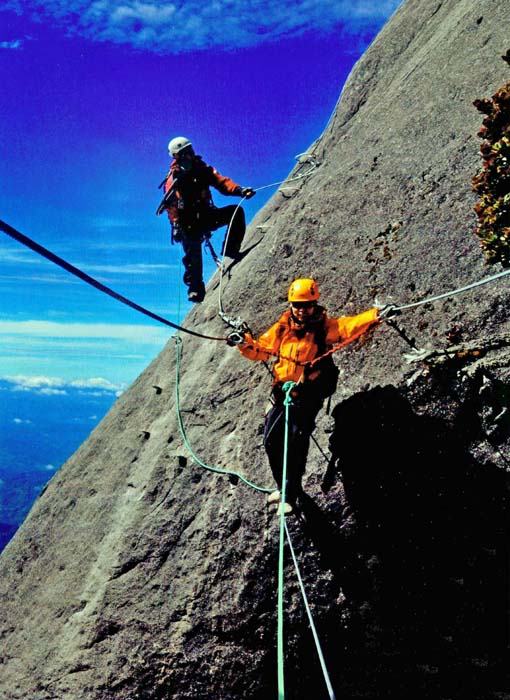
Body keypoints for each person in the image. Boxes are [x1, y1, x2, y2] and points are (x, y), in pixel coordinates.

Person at [227, 278, 398, 515]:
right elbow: (262, 349)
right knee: (270, 441)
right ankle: (283, 486)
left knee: (296, 440)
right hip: (282, 393)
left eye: (307, 305)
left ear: (315, 304)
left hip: (307, 396)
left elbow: (349, 326)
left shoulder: (323, 327)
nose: (301, 309)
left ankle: (290, 494)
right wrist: (244, 343)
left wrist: (375, 315)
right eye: (297, 304)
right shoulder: (283, 327)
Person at [158, 136, 256, 303]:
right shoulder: (174, 178)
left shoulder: (203, 169)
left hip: (206, 216)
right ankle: (195, 289)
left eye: (190, 151)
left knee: (236, 212)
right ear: (176, 157)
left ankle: (230, 249)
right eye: (184, 153)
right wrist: (175, 224)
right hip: (188, 225)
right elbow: (171, 204)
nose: (189, 155)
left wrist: (239, 190)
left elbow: (222, 182)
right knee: (192, 254)